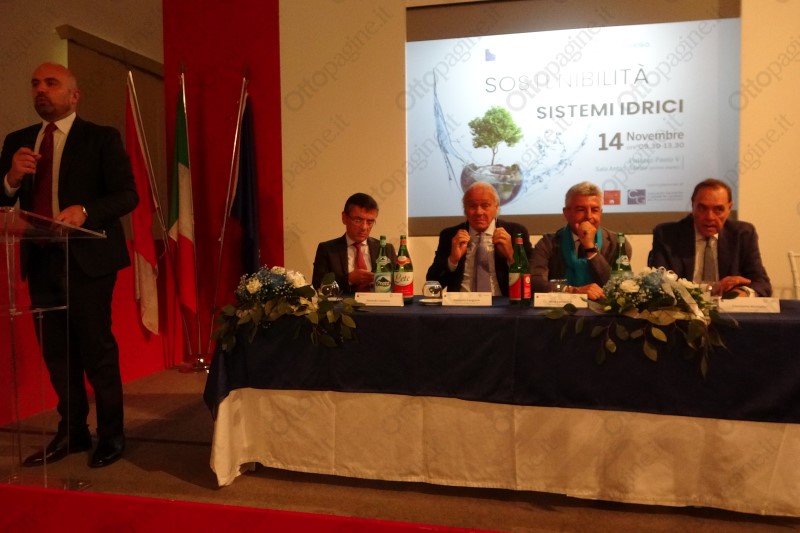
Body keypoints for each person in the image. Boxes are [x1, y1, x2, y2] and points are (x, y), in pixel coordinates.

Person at [0, 63, 139, 467]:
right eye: (35, 83)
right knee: (57, 354)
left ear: (74, 96)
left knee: (96, 350)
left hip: (87, 260)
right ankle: (73, 431)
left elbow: (127, 195)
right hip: (41, 259)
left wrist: (85, 211)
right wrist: (11, 179)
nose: (41, 90)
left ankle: (111, 434)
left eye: (51, 83)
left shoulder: (101, 138)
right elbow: (2, 200)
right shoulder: (18, 141)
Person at [648, 178, 771, 297]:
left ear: (729, 208)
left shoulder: (742, 234)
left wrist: (742, 293)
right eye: (702, 208)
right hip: (684, 309)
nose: (710, 217)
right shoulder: (667, 235)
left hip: (729, 309)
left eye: (718, 209)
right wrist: (710, 289)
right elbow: (659, 285)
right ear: (693, 205)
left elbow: (762, 283)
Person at [426, 181, 532, 296]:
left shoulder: (516, 233)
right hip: (461, 303)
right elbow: (432, 283)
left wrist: (511, 255)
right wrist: (452, 260)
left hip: (501, 303)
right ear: (465, 210)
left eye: (485, 205)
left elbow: (531, 281)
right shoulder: (450, 235)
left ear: (496, 207)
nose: (479, 212)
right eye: (472, 206)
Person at [530, 181, 630, 300]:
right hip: (560, 308)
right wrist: (571, 290)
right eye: (581, 209)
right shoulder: (548, 243)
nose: (588, 216)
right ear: (566, 213)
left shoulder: (618, 243)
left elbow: (618, 287)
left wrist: (590, 248)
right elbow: (535, 281)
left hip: (603, 309)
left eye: (594, 210)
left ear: (600, 213)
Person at [312, 192, 396, 293]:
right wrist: (348, 279)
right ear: (344, 218)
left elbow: (397, 282)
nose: (364, 227)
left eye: (370, 222)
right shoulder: (327, 250)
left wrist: (382, 283)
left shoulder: (386, 249)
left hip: (378, 302)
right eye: (358, 220)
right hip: (342, 303)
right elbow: (318, 287)